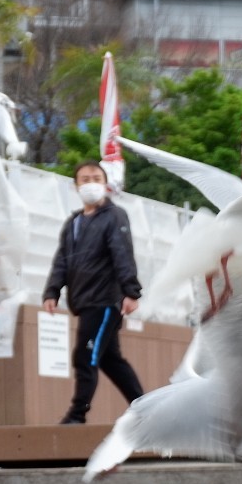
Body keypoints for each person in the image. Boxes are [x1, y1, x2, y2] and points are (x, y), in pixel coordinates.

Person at [43, 161, 144, 424]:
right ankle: (146, 409)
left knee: (85, 356)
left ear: (105, 183)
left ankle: (77, 414)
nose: (90, 183)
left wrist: (131, 291)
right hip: (84, 301)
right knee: (111, 360)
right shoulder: (73, 222)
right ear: (75, 185)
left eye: (96, 178)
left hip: (105, 301)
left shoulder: (115, 216)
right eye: (85, 179)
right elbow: (62, 260)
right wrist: (51, 291)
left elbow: (122, 254)